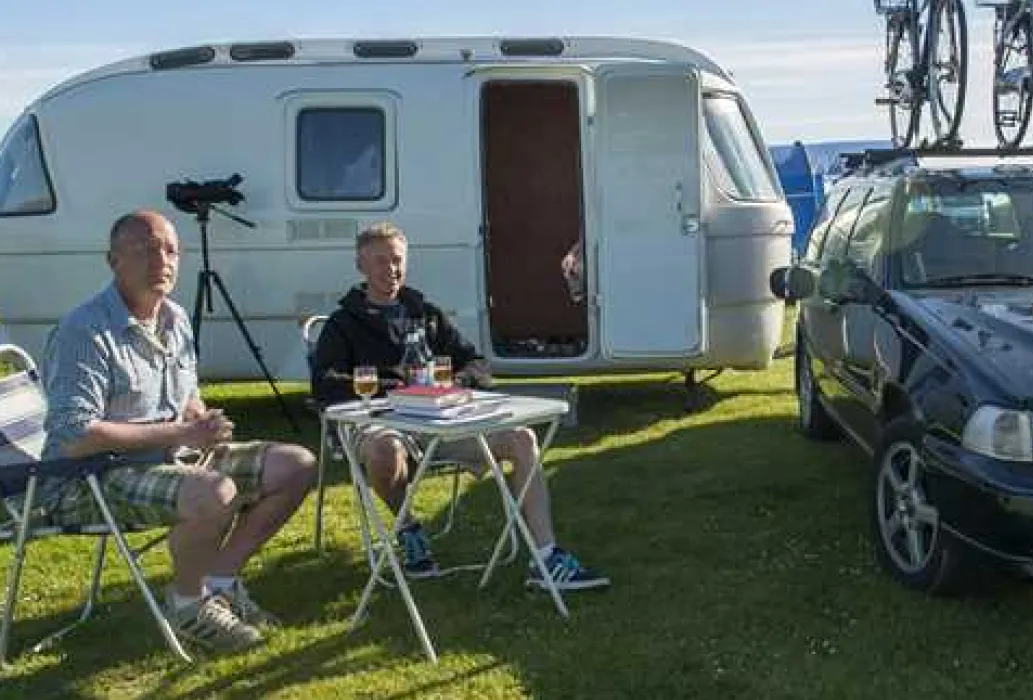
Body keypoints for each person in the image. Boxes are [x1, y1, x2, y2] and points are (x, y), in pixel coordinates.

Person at [39, 209, 318, 652]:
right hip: (88, 477)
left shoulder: (174, 318)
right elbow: (75, 436)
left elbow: (185, 396)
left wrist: (200, 419)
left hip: (170, 458)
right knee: (214, 492)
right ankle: (188, 605)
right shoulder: (86, 330)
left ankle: (219, 582)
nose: (162, 261)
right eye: (146, 250)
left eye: (170, 250)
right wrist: (178, 434)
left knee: (295, 465)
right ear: (113, 260)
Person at [309, 222, 608, 591]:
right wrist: (395, 383)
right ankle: (407, 528)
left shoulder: (425, 312)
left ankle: (547, 558)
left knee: (522, 438)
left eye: (398, 260)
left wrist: (456, 381)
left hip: (440, 423)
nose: (391, 270)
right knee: (385, 449)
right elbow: (325, 384)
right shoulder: (343, 323)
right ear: (361, 265)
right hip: (378, 423)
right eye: (380, 261)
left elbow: (478, 364)